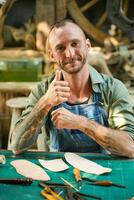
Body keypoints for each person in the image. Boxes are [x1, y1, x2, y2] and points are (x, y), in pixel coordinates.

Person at [10, 19, 134, 157]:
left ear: (87, 45)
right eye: (60, 48)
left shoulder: (112, 88)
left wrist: (81, 123)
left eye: (75, 44)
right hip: (59, 172)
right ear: (52, 55)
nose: (69, 54)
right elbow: (16, 146)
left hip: (104, 171)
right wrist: (45, 102)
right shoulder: (43, 90)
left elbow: (130, 147)